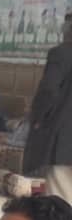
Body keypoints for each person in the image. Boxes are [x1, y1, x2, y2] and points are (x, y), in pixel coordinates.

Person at [23, 18, 72, 205]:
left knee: (60, 197)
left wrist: (38, 117)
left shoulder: (62, 53)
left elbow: (48, 91)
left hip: (64, 141)